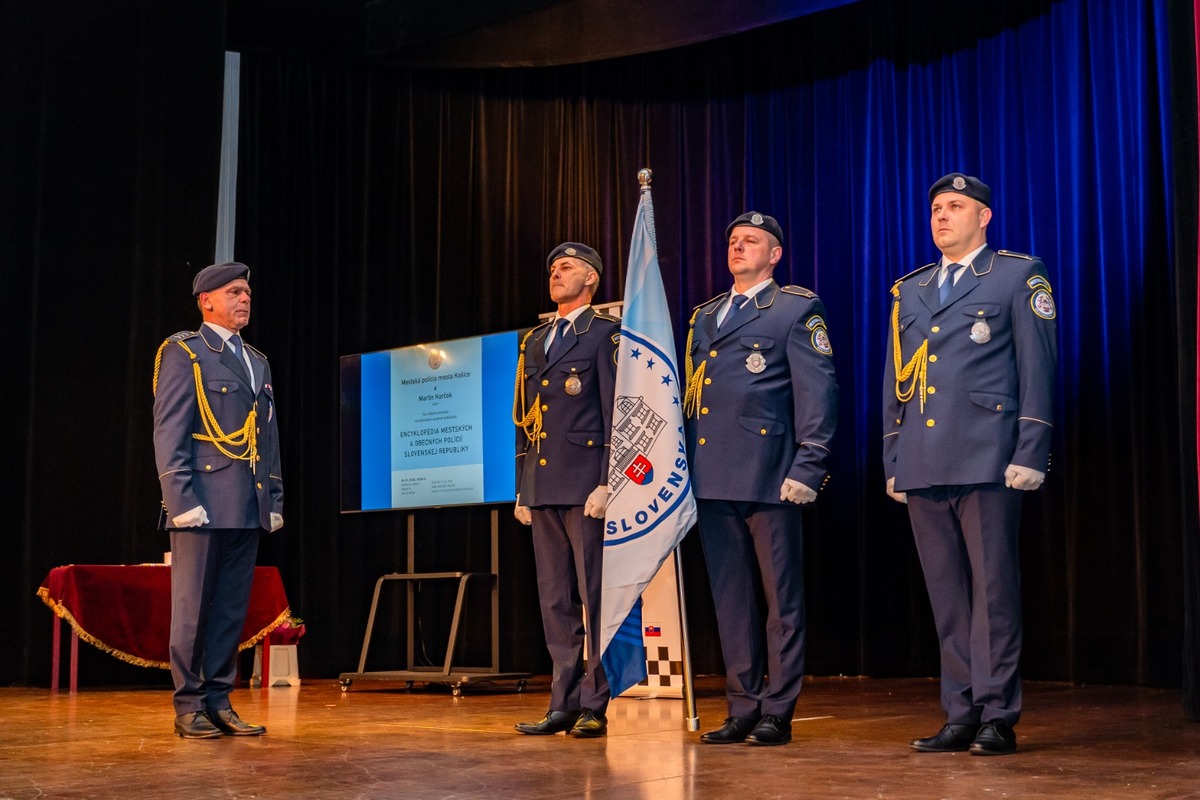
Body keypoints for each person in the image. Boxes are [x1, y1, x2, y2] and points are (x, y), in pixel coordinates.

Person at [882, 173, 1057, 756]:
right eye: (935, 207)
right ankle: (959, 712)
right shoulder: (911, 289)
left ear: (983, 216)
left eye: (955, 206)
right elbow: (896, 382)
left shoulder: (1014, 274)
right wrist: (894, 454)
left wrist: (1030, 448)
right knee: (947, 595)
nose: (941, 216)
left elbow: (1038, 365)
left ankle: (996, 714)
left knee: (994, 590)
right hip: (925, 459)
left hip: (988, 454)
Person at [683, 212, 838, 746]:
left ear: (774, 255)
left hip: (770, 473)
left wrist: (809, 463)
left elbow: (817, 392)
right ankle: (742, 704)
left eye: (751, 241)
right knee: (730, 600)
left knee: (781, 600)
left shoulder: (795, 308)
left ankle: (778, 708)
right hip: (710, 475)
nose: (738, 246)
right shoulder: (705, 316)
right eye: (732, 240)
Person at [152, 261, 284, 739]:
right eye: (233, 292)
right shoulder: (185, 352)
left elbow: (266, 438)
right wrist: (180, 498)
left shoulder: (258, 360)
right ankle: (188, 704)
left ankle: (219, 700)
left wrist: (272, 497)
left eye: (247, 292)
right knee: (192, 609)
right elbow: (170, 431)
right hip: (201, 504)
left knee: (231, 608)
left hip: (245, 504)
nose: (244, 299)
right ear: (206, 300)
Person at [512, 242, 619, 738]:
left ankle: (594, 702)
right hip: (543, 482)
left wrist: (608, 481)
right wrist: (522, 487)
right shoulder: (535, 340)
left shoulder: (605, 335)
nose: (556, 272)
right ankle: (562, 701)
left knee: (594, 596)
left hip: (586, 483)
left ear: (591, 279)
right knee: (554, 599)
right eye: (553, 266)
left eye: (568, 267)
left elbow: (619, 410)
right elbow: (525, 419)